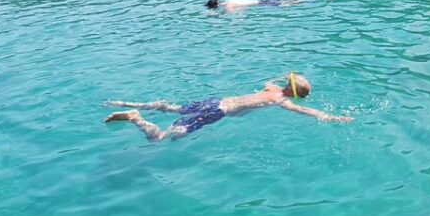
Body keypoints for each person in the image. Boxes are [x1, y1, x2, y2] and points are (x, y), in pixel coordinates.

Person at [104, 72, 352, 141]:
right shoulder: (280, 99)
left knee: (174, 108)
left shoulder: (271, 89)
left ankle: (129, 102)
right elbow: (306, 110)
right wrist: (331, 117)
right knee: (163, 138)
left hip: (215, 100)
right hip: (218, 112)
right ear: (294, 94)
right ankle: (135, 117)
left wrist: (283, 80)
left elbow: (269, 79)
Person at [205, 0, 306, 12]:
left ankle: (305, 0)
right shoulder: (229, 0)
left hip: (263, 3)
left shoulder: (228, 5)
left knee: (291, 4)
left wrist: (215, 14)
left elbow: (230, 12)